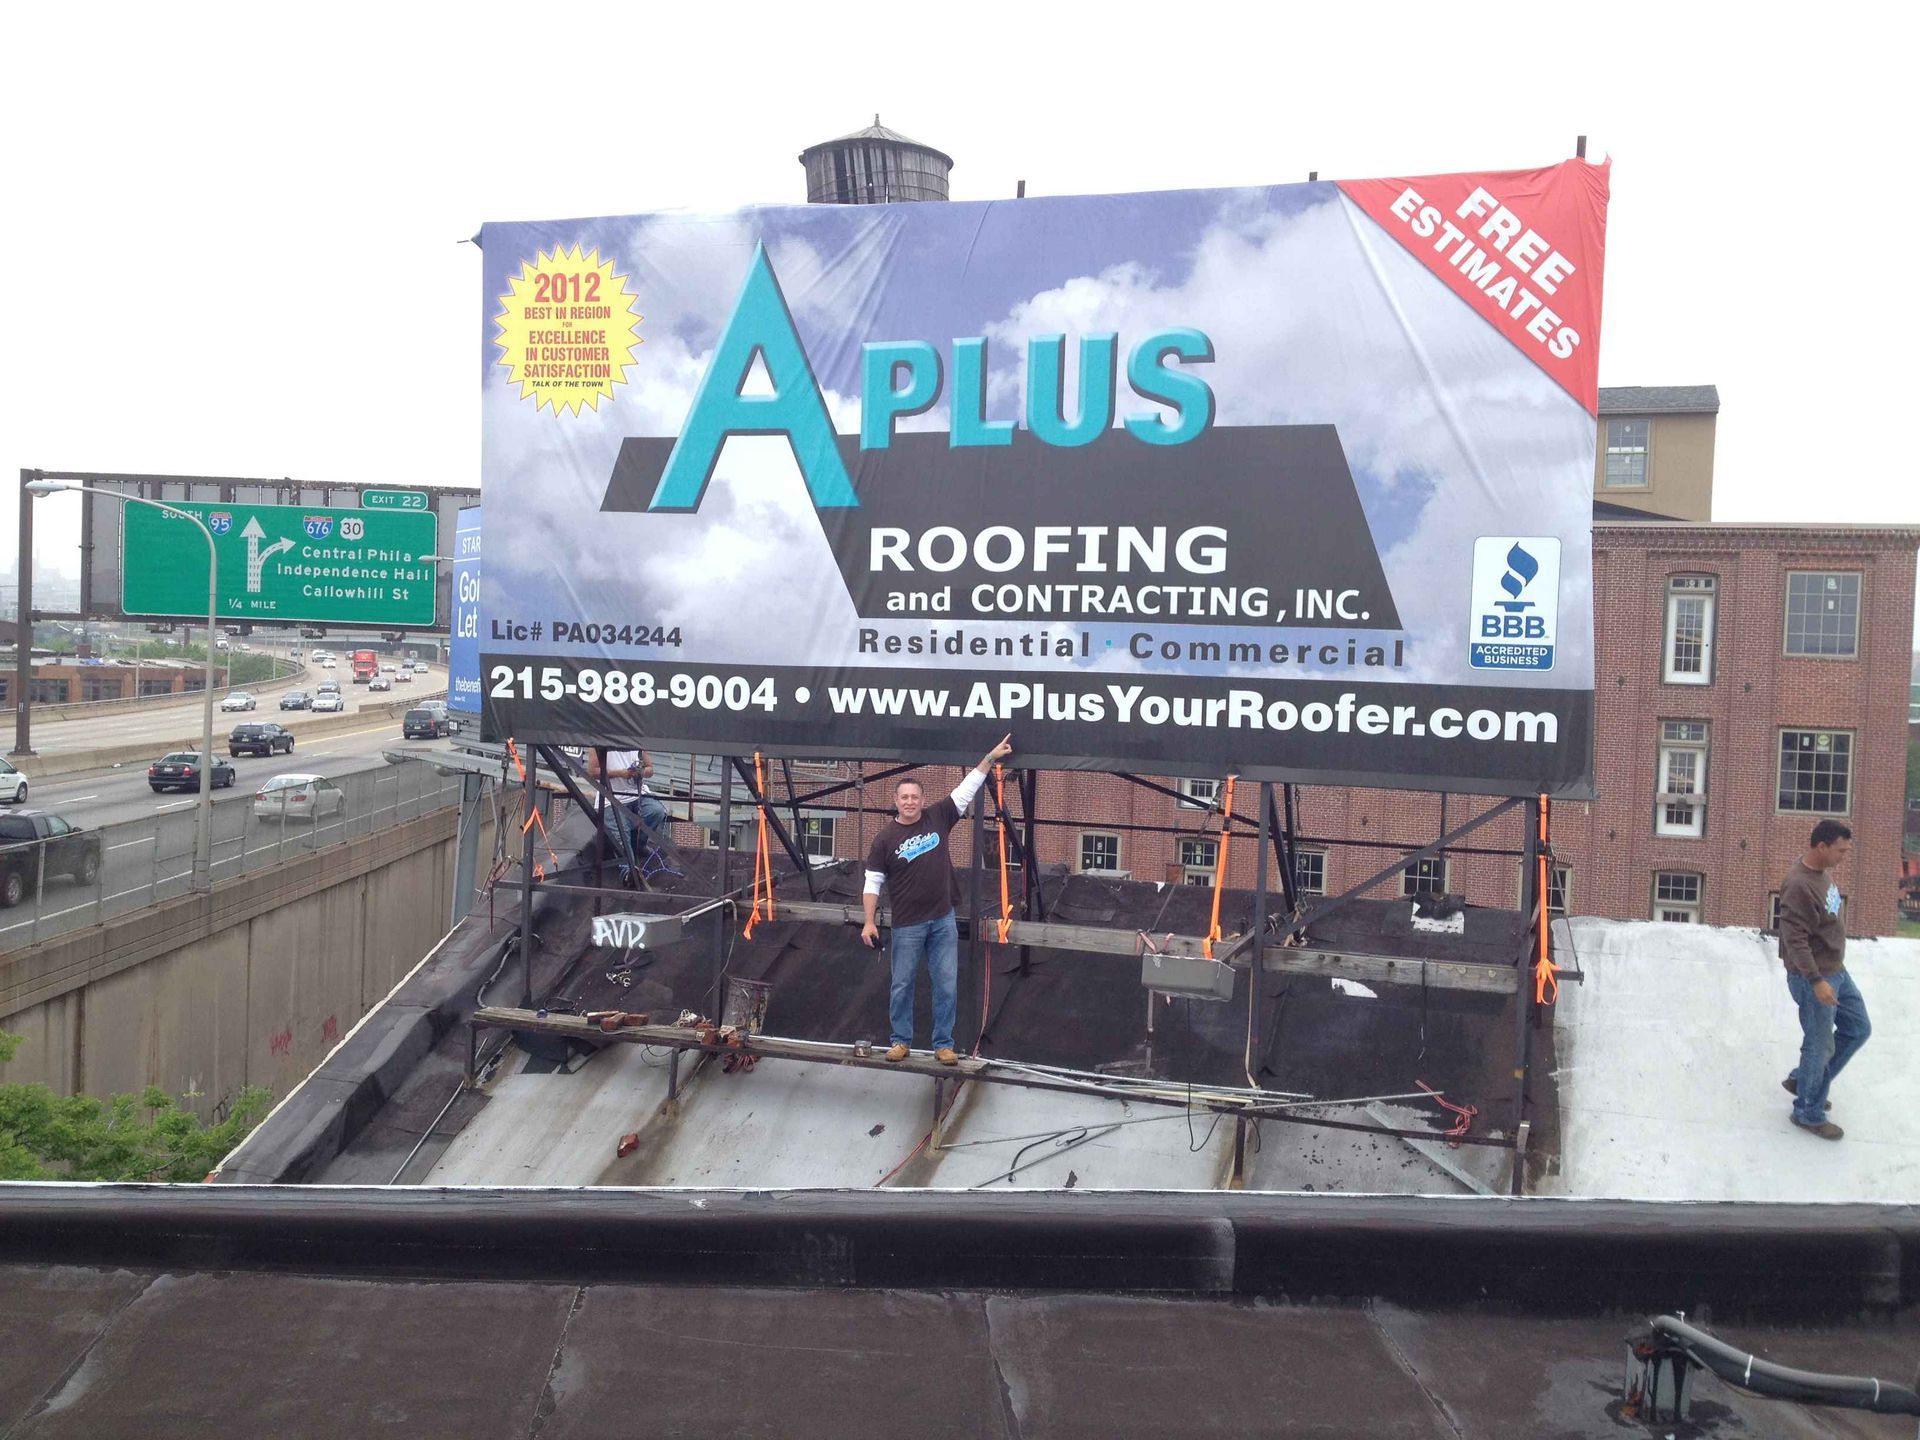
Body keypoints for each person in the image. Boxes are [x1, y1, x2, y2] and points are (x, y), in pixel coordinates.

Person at [862, 735, 1015, 1065]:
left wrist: (989, 758)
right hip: (907, 925)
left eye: (915, 797)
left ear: (922, 800)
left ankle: (943, 1044)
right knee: (902, 985)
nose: (910, 802)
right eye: (904, 797)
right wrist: (869, 921)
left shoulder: (939, 816)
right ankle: (900, 1041)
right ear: (895, 801)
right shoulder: (884, 839)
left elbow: (967, 788)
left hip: (943, 919)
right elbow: (872, 881)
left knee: (946, 984)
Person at [1778, 819, 1868, 1140]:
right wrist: (1816, 981)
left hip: (1835, 970)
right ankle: (1808, 1111)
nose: (1844, 856)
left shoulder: (1821, 873)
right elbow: (1795, 940)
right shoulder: (1798, 885)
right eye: (1840, 850)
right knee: (1820, 1044)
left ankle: (1806, 1081)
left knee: (1858, 1028)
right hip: (1815, 978)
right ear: (1821, 846)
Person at [588, 749, 670, 869]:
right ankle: (628, 870)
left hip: (637, 794)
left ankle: (638, 844)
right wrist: (619, 773)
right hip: (611, 798)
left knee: (657, 811)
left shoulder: (637, 743)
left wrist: (641, 771)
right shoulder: (601, 744)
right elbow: (592, 772)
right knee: (622, 828)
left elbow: (650, 769)